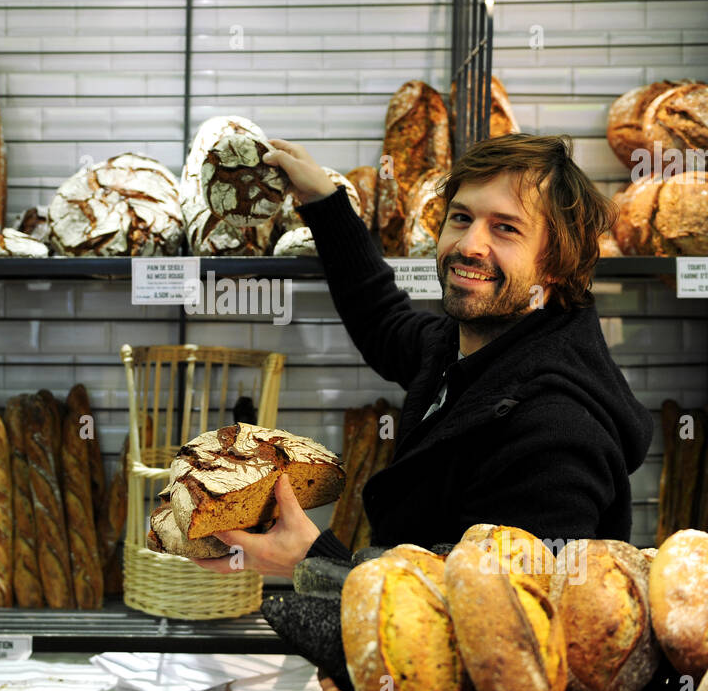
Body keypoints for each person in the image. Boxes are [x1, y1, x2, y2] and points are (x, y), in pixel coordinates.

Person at [190, 133, 653, 578]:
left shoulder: (554, 434)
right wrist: (323, 201)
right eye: (461, 218)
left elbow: (495, 628)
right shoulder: (474, 349)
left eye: (506, 228)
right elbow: (384, 322)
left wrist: (313, 560)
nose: (469, 245)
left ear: (556, 263)